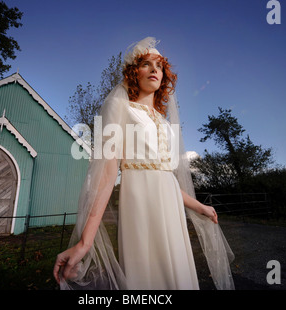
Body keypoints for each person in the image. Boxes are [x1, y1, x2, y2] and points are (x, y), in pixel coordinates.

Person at [53, 37, 235, 290]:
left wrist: (198, 206)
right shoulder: (120, 107)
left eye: (159, 66)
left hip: (171, 208)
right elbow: (106, 175)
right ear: (133, 72)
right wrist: (85, 242)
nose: (154, 70)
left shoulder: (164, 120)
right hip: (139, 202)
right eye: (146, 64)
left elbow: (165, 177)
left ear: (164, 76)